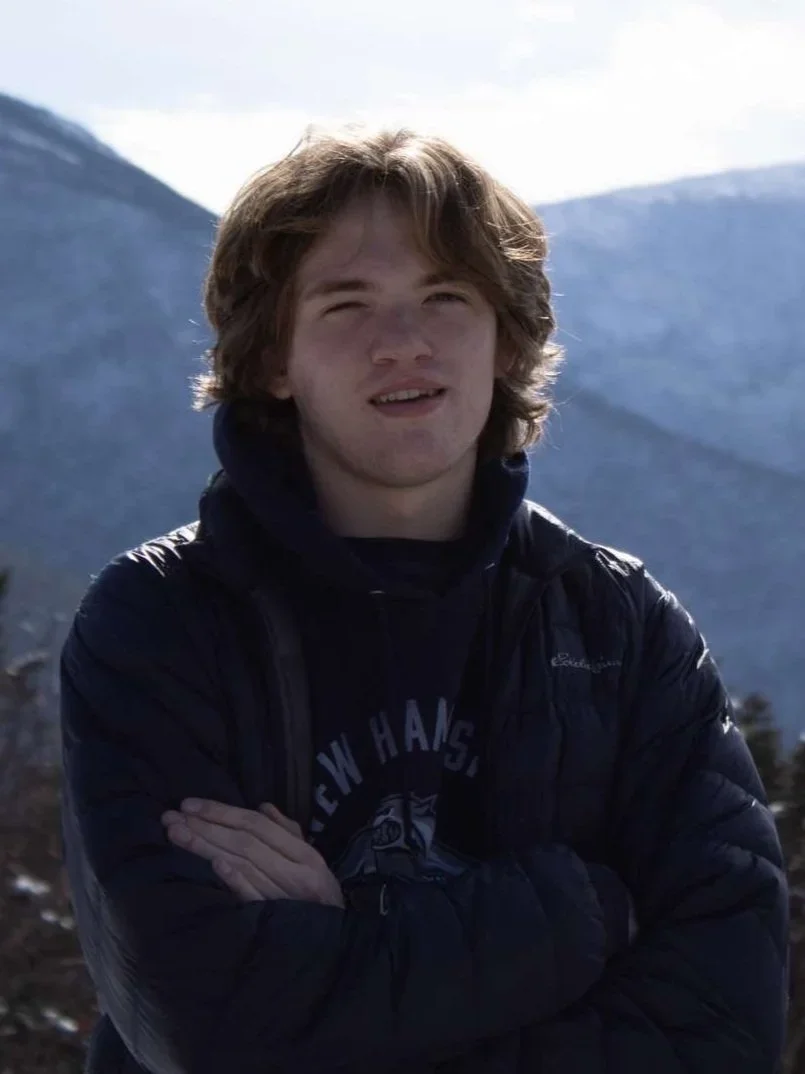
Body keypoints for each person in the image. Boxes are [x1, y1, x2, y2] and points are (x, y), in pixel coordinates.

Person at [60, 127, 788, 1074]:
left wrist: (338, 956)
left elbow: (722, 1027)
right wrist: (583, 913)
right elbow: (206, 1022)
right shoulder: (159, 621)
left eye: (446, 297)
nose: (402, 343)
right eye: (346, 304)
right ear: (274, 358)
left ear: (505, 339)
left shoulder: (621, 629)